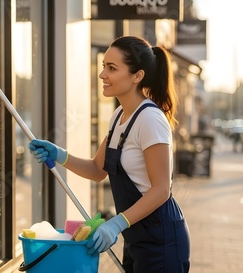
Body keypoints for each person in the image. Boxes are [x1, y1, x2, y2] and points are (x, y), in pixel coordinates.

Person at [28, 36, 190, 272]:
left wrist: (116, 224)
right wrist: (60, 155)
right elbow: (97, 170)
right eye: (104, 66)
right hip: (136, 237)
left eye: (112, 68)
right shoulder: (118, 117)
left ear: (137, 76)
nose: (103, 74)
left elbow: (161, 189)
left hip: (162, 240)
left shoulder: (150, 119)